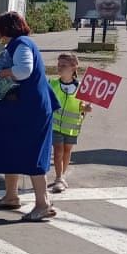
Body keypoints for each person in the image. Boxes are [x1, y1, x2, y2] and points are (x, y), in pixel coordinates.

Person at [0, 11, 59, 222]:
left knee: (32, 155)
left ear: (5, 29)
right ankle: (11, 195)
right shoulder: (18, 44)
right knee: (10, 150)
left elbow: (23, 70)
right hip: (18, 109)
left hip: (29, 109)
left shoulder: (22, 44)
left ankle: (43, 203)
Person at [48, 53, 92, 193]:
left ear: (74, 68)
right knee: (58, 150)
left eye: (64, 65)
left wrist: (86, 108)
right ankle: (59, 178)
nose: (59, 68)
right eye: (58, 65)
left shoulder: (81, 87)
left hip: (72, 127)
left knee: (67, 151)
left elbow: (82, 106)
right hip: (54, 126)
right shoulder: (52, 83)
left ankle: (62, 175)